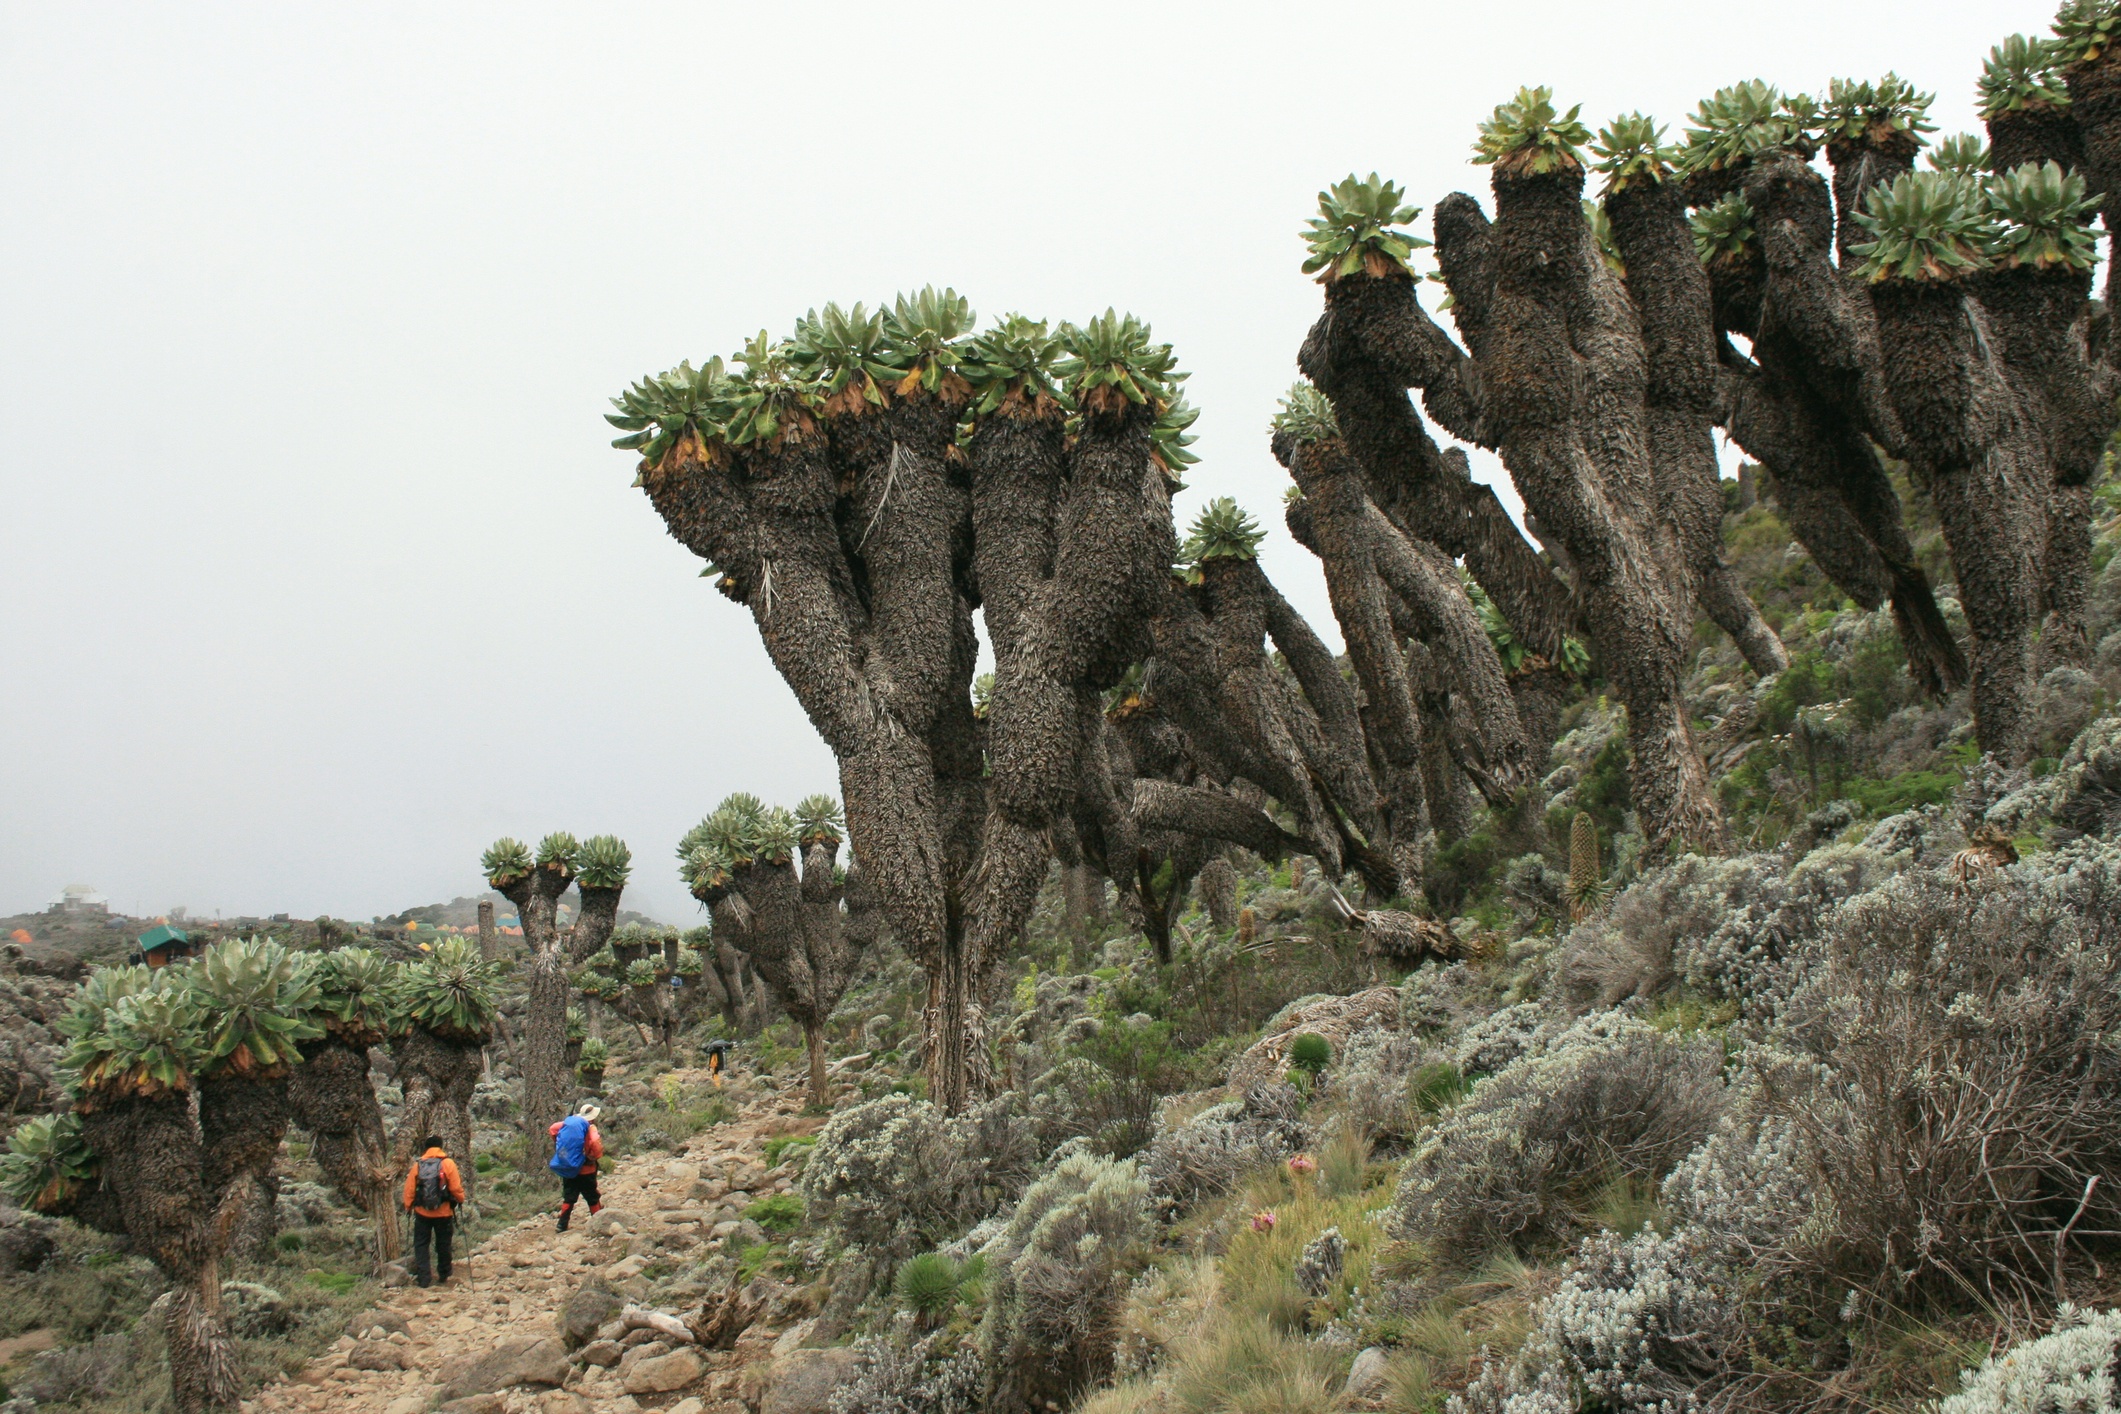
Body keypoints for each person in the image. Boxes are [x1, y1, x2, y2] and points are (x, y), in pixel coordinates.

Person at [402, 1136, 465, 1288]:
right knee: (443, 1243)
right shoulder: (448, 1163)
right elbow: (455, 1187)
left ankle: (424, 1278)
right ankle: (444, 1274)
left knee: (421, 1244)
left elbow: (409, 1188)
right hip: (443, 1212)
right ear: (440, 1146)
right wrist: (460, 1199)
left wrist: (408, 1206)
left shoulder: (418, 1165)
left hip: (422, 1212)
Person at [549, 1102, 604, 1232]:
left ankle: (561, 1225)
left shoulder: (569, 1125)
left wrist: (560, 1146)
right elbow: (595, 1143)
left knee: (569, 1196)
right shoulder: (590, 1128)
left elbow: (552, 1129)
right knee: (591, 1196)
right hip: (586, 1170)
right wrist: (594, 1156)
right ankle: (597, 1222)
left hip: (569, 1167)